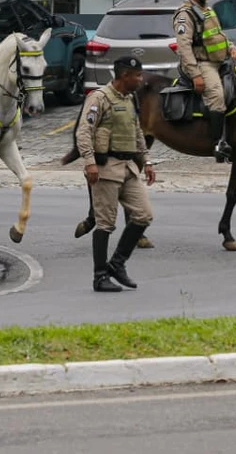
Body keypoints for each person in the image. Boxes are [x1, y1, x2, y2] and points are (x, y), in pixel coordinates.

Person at [75, 56, 155, 293]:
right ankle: (100, 277)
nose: (140, 80)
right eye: (137, 76)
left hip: (129, 167)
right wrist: (90, 163)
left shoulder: (130, 99)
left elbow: (137, 132)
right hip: (106, 169)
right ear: (123, 76)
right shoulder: (99, 98)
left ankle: (117, 264)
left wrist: (147, 161)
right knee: (105, 224)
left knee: (143, 215)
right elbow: (84, 132)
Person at [173, 0, 236, 162]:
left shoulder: (207, 10)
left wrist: (231, 47)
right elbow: (184, 48)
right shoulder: (185, 15)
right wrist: (195, 75)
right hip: (202, 64)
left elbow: (218, 34)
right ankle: (218, 143)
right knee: (217, 96)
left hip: (219, 61)